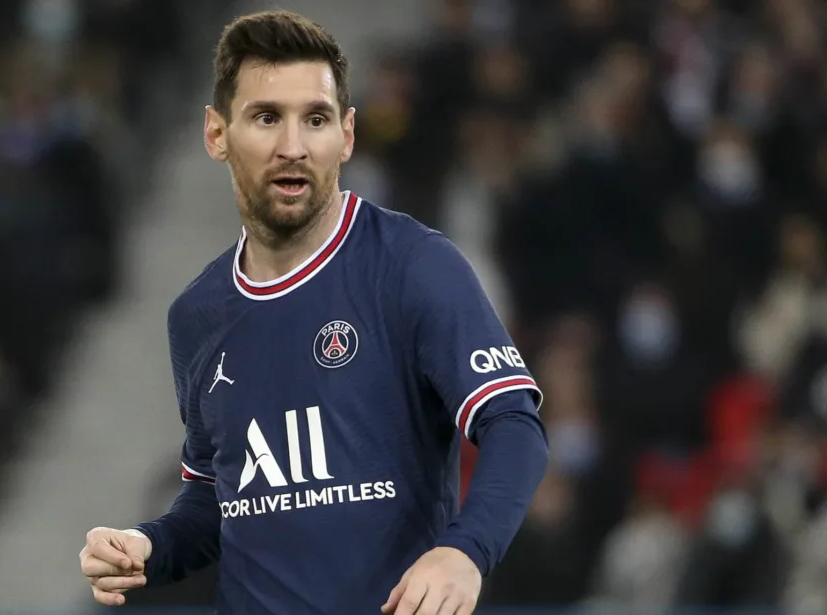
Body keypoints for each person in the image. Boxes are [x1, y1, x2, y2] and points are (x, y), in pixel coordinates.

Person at [79, 10, 549, 615]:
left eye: (317, 119)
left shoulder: (411, 266)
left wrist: (465, 552)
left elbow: (515, 426)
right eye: (267, 117)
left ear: (347, 136)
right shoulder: (196, 315)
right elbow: (216, 503)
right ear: (216, 134)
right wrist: (147, 545)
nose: (293, 147)